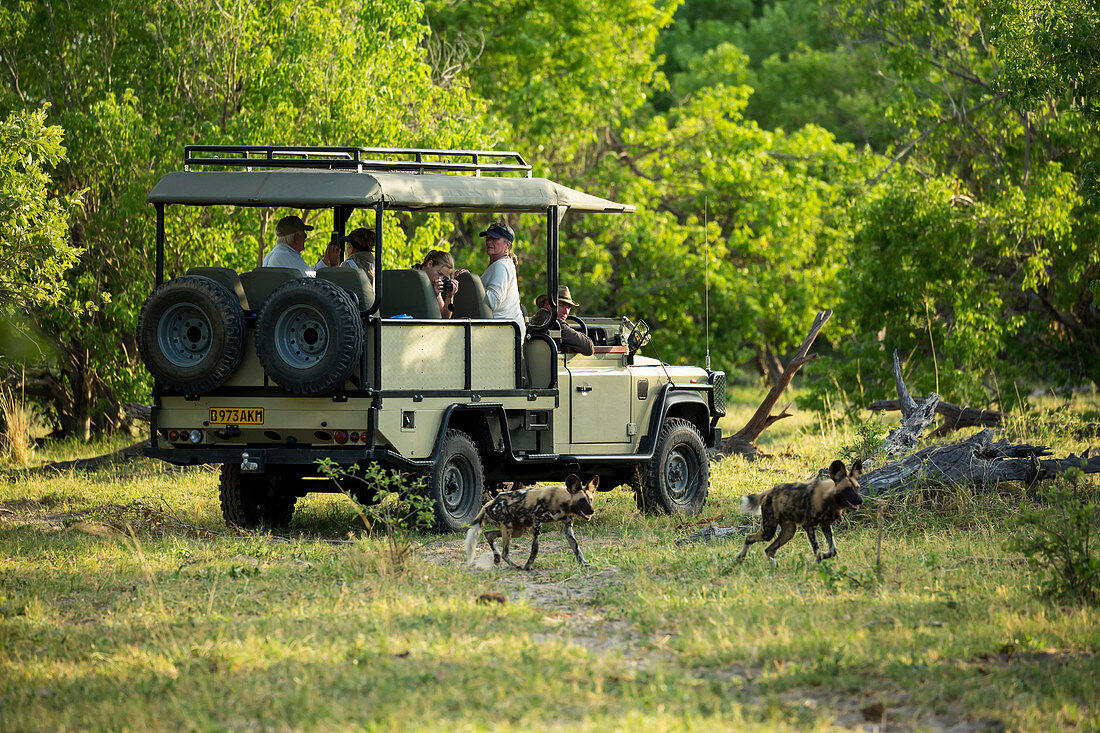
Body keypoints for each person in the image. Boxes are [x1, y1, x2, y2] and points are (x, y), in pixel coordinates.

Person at [478, 222, 524, 338]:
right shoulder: (498, 264)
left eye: (494, 239)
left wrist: (473, 283)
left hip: (505, 336)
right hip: (501, 332)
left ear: (507, 245)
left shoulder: (502, 266)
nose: (489, 242)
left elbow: (493, 301)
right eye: (488, 238)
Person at [530, 286, 594, 355]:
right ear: (548, 303)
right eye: (561, 305)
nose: (566, 311)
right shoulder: (554, 323)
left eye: (568, 307)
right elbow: (588, 347)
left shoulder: (538, 318)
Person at [413, 249, 459, 319]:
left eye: (444, 277)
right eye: (439, 273)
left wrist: (449, 297)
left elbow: (444, 318)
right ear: (430, 264)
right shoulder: (413, 277)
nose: (440, 279)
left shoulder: (434, 283)